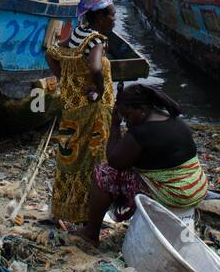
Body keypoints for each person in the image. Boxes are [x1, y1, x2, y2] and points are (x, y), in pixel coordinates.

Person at [77, 83, 209, 244]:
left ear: (142, 109)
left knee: (103, 173)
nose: (127, 122)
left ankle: (91, 233)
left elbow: (114, 161)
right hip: (195, 187)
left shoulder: (141, 133)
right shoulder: (172, 119)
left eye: (128, 116)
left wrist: (114, 125)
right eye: (124, 119)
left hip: (175, 194)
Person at [47, 0, 115, 226]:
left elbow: (51, 52)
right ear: (98, 17)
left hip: (71, 107)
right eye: (111, 15)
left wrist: (65, 78)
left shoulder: (77, 35)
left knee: (70, 156)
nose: (114, 19)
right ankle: (90, 211)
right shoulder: (95, 40)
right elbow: (96, 69)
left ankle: (64, 208)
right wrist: (98, 89)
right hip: (93, 109)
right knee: (95, 157)